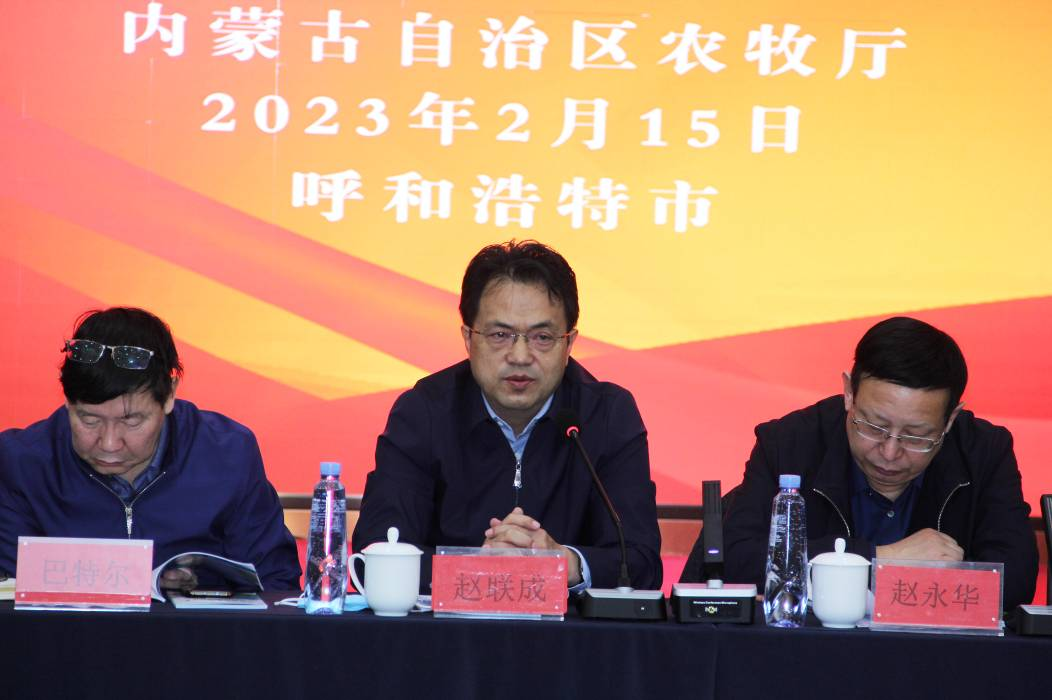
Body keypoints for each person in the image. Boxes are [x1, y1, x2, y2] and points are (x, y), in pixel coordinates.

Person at [353, 240, 662, 592]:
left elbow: (641, 563)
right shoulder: (424, 412)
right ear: (468, 338)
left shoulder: (607, 415)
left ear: (569, 344)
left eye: (542, 337)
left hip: (570, 627)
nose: (520, 356)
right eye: (500, 335)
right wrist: (478, 569)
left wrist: (565, 563)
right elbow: (375, 554)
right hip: (448, 628)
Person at [681, 316, 1038, 610]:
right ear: (849, 394)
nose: (890, 452)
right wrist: (877, 559)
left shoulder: (984, 453)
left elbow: (1016, 582)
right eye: (874, 426)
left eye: (916, 436)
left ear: (950, 420)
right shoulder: (789, 442)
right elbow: (738, 560)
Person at [0, 307, 301, 590]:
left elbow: (275, 586)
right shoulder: (22, 464)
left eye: (131, 420)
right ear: (67, 400)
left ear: (169, 395)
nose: (109, 443)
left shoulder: (227, 455)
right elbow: (10, 596)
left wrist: (202, 589)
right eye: (89, 420)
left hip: (195, 629)